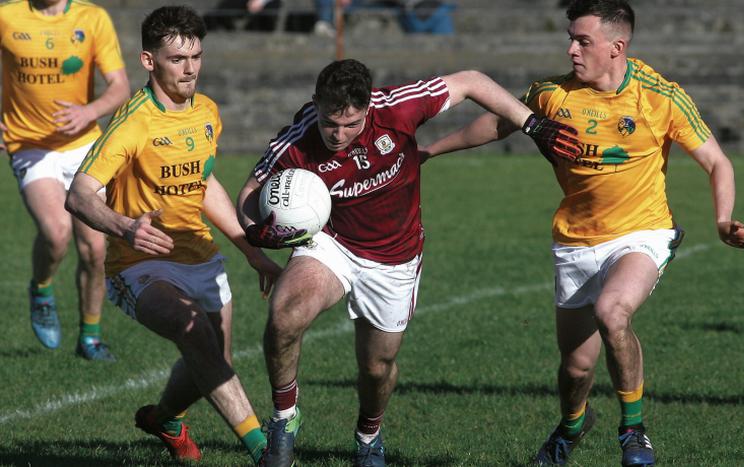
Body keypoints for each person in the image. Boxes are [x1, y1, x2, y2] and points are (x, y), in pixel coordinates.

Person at [422, 1, 744, 466]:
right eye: (570, 37)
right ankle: (573, 423)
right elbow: (499, 123)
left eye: (582, 40)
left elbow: (716, 161)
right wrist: (430, 151)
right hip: (575, 242)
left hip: (642, 234)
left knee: (613, 313)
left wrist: (723, 220)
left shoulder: (657, 95)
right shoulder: (553, 95)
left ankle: (634, 429)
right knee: (576, 367)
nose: (571, 49)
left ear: (616, 46)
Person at [236, 58, 579, 467]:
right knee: (285, 315)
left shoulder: (398, 107)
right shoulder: (297, 139)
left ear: (368, 108)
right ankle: (284, 418)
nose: (339, 135)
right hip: (333, 244)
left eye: (352, 124)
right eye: (331, 124)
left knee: (377, 367)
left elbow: (470, 81)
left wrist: (532, 125)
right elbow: (251, 192)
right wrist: (257, 230)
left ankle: (368, 437)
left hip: (395, 259)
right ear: (316, 104)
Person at [65, 6, 282, 465]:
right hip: (139, 263)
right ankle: (264, 451)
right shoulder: (134, 121)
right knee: (194, 332)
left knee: (211, 359)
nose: (190, 69)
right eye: (177, 59)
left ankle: (164, 419)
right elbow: (80, 195)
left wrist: (250, 250)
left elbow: (203, 184)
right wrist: (126, 227)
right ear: (149, 61)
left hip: (200, 255)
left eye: (197, 57)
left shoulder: (206, 111)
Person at [0, 0, 130, 360]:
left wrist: (89, 111)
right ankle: (41, 289)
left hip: (83, 145)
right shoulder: (7, 16)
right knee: (56, 232)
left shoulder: (92, 18)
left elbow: (119, 85)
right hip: (29, 146)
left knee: (95, 249)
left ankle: (90, 337)